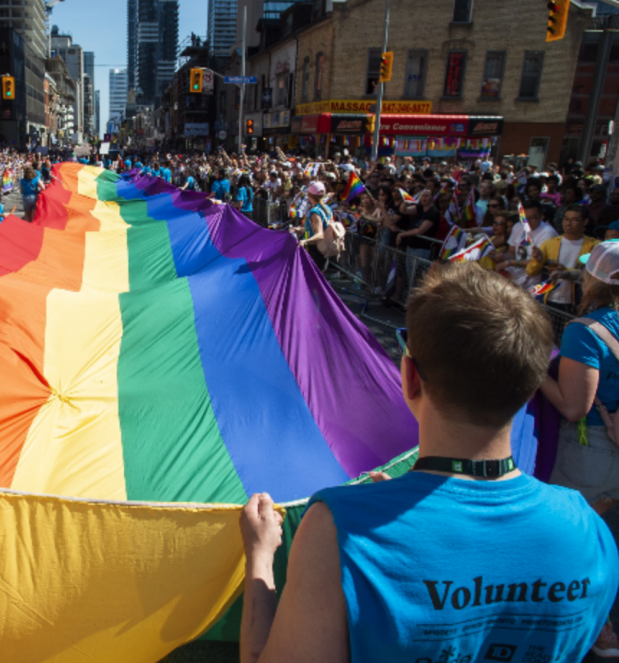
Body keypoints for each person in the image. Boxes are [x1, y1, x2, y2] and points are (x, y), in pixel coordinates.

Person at [241, 262, 618, 663]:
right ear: (528, 390)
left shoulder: (336, 527)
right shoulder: (588, 528)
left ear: (410, 378)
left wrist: (260, 557)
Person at [540, 241, 619, 515]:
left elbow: (574, 408)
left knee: (559, 531)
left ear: (593, 277)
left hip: (590, 451)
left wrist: (534, 367)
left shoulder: (586, 331)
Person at [526, 204, 598, 314]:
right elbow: (531, 271)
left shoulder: (594, 246)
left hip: (577, 303)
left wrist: (567, 272)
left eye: (575, 220)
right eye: (566, 219)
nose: (568, 223)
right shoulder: (549, 244)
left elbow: (591, 275)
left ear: (585, 222)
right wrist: (537, 261)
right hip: (547, 299)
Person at [297, 181, 332, 272]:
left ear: (310, 196)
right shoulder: (327, 208)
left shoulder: (315, 212)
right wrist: (300, 229)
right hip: (324, 249)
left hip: (316, 250)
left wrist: (305, 241)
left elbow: (320, 234)